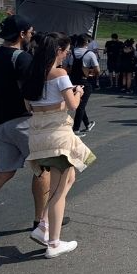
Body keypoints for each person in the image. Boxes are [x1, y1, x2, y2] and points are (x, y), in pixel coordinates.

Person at [22, 32, 95, 258]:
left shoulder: (32, 75)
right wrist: (78, 91)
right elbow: (73, 105)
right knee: (58, 191)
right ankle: (53, 242)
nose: (66, 55)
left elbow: (29, 107)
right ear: (57, 51)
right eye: (65, 51)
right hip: (58, 136)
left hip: (38, 136)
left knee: (68, 179)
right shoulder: (60, 74)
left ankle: (43, 225)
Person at [0, 16, 62, 233]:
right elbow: (34, 89)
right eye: (30, 31)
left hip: (1, 123)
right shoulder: (22, 58)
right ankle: (41, 221)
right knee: (43, 168)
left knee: (4, 172)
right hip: (22, 121)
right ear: (21, 34)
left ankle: (42, 221)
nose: (32, 34)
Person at [66, 34, 99, 137]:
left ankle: (88, 123)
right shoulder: (90, 54)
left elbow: (69, 68)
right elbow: (97, 70)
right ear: (86, 43)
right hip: (84, 81)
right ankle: (76, 129)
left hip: (72, 81)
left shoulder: (72, 53)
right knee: (81, 105)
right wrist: (91, 73)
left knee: (80, 104)